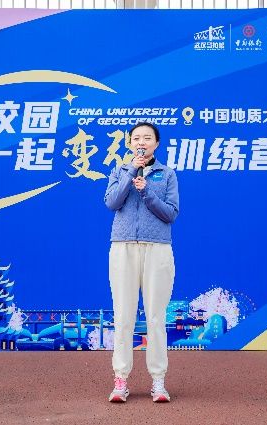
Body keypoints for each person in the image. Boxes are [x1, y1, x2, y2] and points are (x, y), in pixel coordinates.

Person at [103, 122, 180, 403]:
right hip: (123, 247)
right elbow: (112, 203)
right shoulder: (119, 171)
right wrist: (130, 175)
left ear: (156, 144)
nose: (142, 142)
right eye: (137, 138)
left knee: (156, 317)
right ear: (130, 143)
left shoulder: (166, 174)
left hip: (157, 248)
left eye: (147, 138)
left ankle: (158, 382)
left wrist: (147, 190)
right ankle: (120, 380)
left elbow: (170, 213)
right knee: (123, 316)